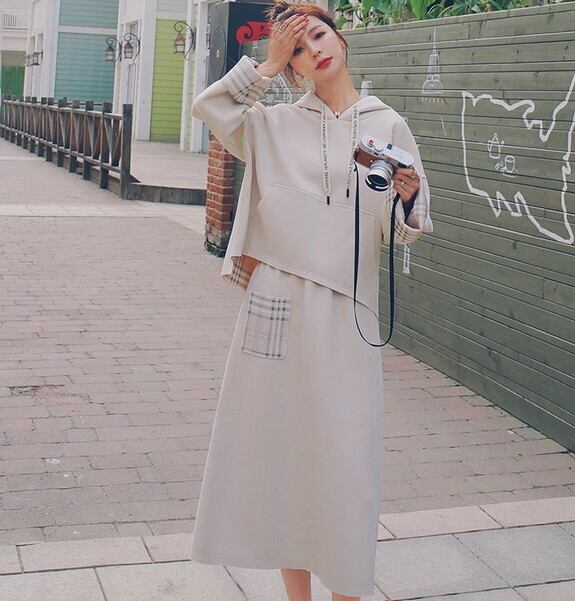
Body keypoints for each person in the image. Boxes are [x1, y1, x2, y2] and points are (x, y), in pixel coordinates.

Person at [189, 1, 433, 600]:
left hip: (349, 307)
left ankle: (346, 590)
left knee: (346, 462)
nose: (313, 51)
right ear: (292, 64)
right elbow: (211, 107)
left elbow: (406, 229)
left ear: (340, 39)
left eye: (318, 35)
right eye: (297, 48)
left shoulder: (387, 126)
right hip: (275, 298)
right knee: (281, 453)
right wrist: (267, 66)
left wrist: (406, 198)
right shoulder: (272, 124)